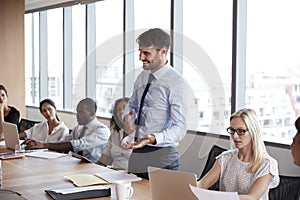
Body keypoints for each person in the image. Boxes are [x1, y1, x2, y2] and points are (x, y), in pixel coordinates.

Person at [122, 28, 189, 179]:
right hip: (138, 151)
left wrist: (154, 137)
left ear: (163, 52)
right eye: (140, 52)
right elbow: (132, 104)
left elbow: (180, 128)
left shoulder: (176, 83)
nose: (140, 57)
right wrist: (128, 119)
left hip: (162, 155)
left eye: (146, 53)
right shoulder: (142, 77)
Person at [198, 108, 279, 200]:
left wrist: (216, 197)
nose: (235, 136)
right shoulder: (225, 158)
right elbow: (202, 184)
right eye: (232, 130)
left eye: (241, 131)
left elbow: (251, 198)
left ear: (253, 132)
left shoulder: (266, 164)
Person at [25, 98, 110, 163]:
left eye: (81, 112)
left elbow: (78, 145)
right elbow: (63, 141)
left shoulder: (102, 130)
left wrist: (44, 145)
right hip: (75, 164)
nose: (77, 115)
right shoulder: (78, 128)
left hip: (92, 167)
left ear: (92, 112)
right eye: (77, 112)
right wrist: (38, 146)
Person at [97, 97, 134, 170]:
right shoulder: (115, 132)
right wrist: (93, 170)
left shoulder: (141, 134)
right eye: (118, 110)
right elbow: (104, 158)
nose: (121, 111)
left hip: (132, 175)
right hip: (114, 173)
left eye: (125, 108)